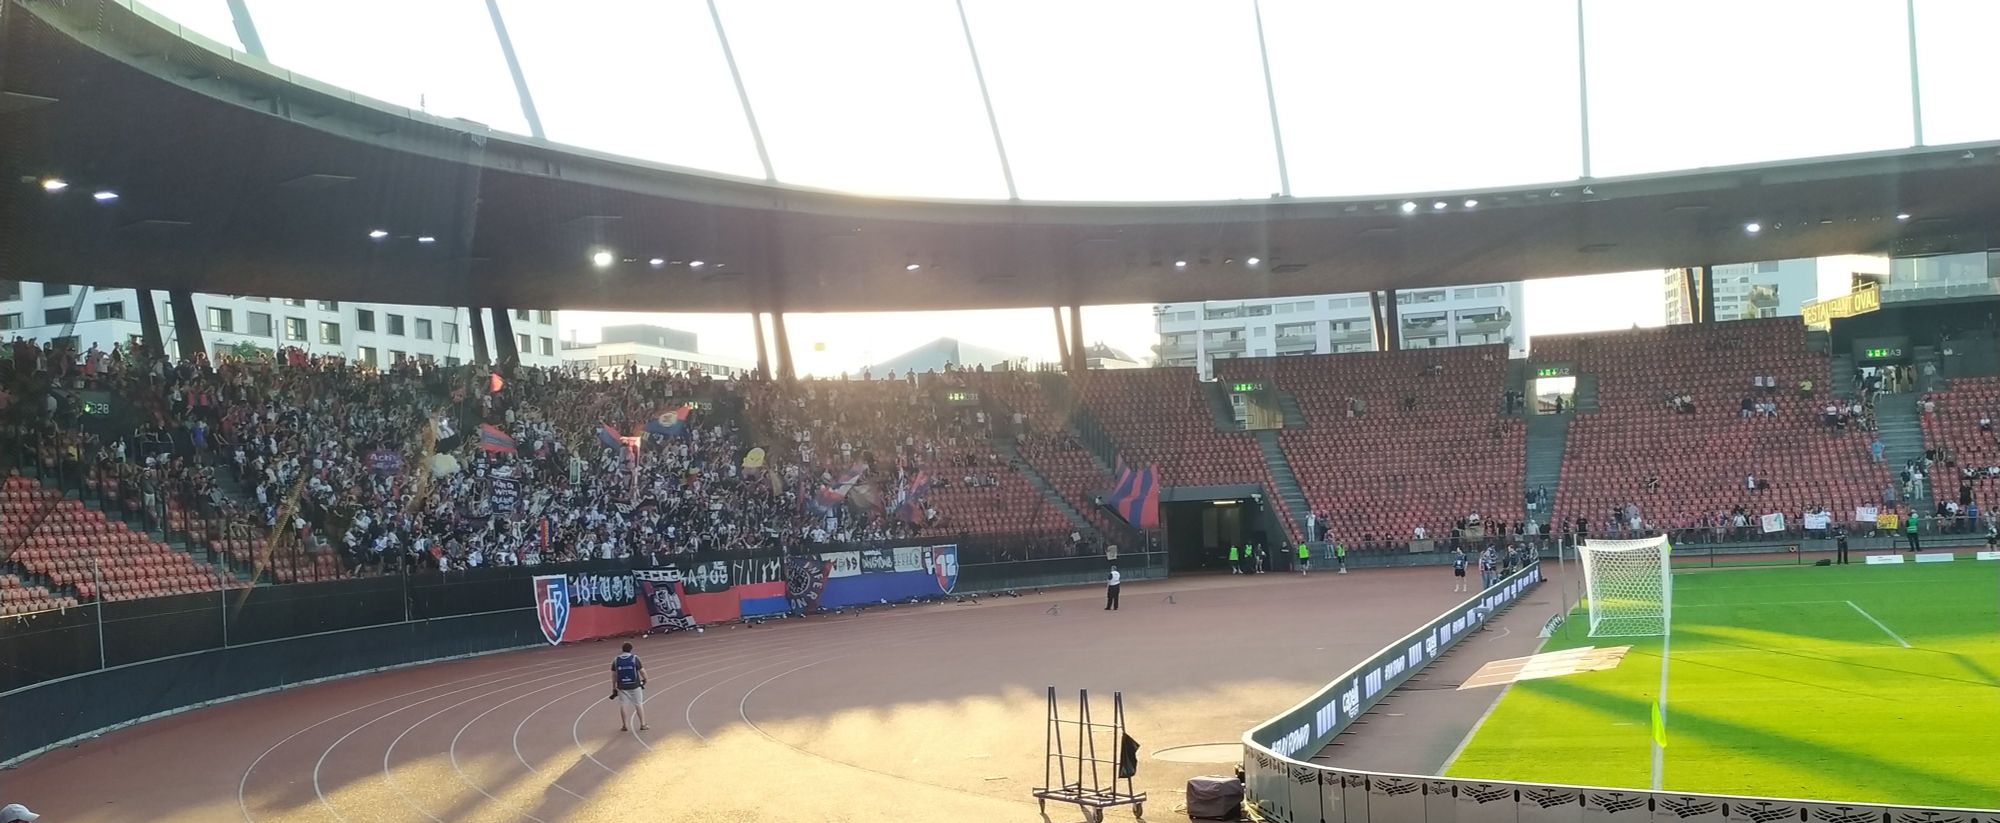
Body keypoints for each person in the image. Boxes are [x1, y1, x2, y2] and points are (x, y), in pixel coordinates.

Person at [608, 641, 648, 732]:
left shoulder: (616, 660)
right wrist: (645, 679)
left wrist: (614, 687)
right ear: (631, 649)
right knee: (638, 704)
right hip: (635, 685)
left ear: (622, 649)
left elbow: (614, 675)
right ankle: (643, 724)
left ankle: (625, 725)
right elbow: (642, 671)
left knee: (623, 705)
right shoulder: (635, 658)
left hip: (622, 686)